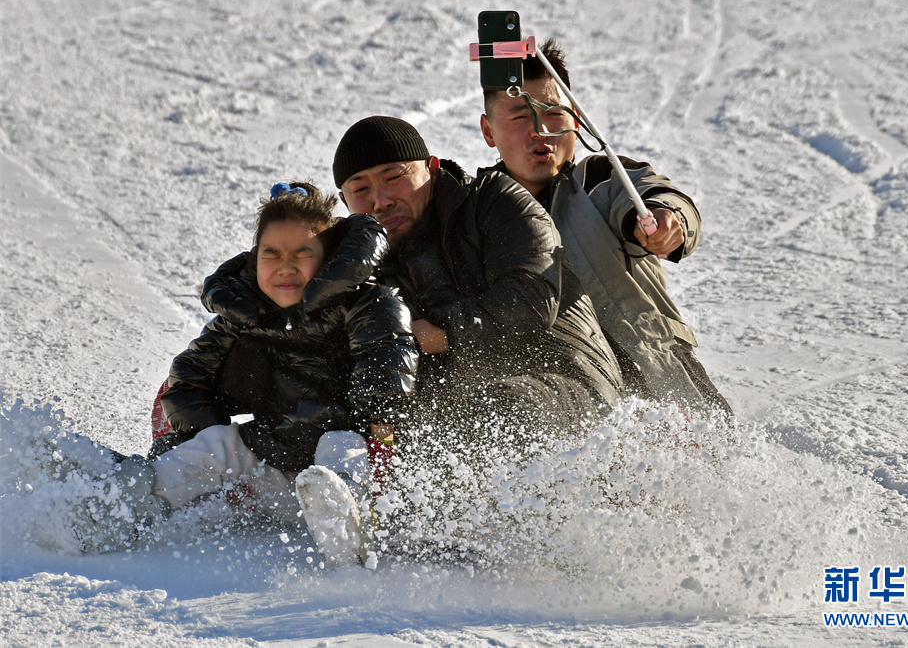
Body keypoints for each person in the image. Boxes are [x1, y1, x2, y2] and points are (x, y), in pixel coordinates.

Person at [63, 182, 418, 562]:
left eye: (302, 253)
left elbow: (388, 356)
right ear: (254, 258)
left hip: (356, 466)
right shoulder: (245, 313)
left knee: (340, 444)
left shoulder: (367, 302)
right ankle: (123, 503)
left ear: (329, 258)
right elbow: (189, 377)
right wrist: (189, 441)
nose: (285, 266)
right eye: (272, 254)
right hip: (275, 464)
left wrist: (379, 420)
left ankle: (345, 532)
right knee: (218, 445)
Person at [331, 116, 624, 457]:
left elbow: (531, 299)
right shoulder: (357, 265)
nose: (380, 200)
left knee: (493, 415)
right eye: (360, 190)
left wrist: (435, 333)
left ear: (432, 169)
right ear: (345, 202)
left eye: (394, 177)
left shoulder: (493, 201)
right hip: (459, 416)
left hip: (572, 387)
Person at [478, 39, 732, 419]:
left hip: (663, 389)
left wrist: (668, 220)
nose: (540, 130)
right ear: (489, 131)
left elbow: (651, 194)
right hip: (558, 406)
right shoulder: (475, 213)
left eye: (553, 113)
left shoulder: (598, 181)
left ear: (576, 119)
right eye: (519, 117)